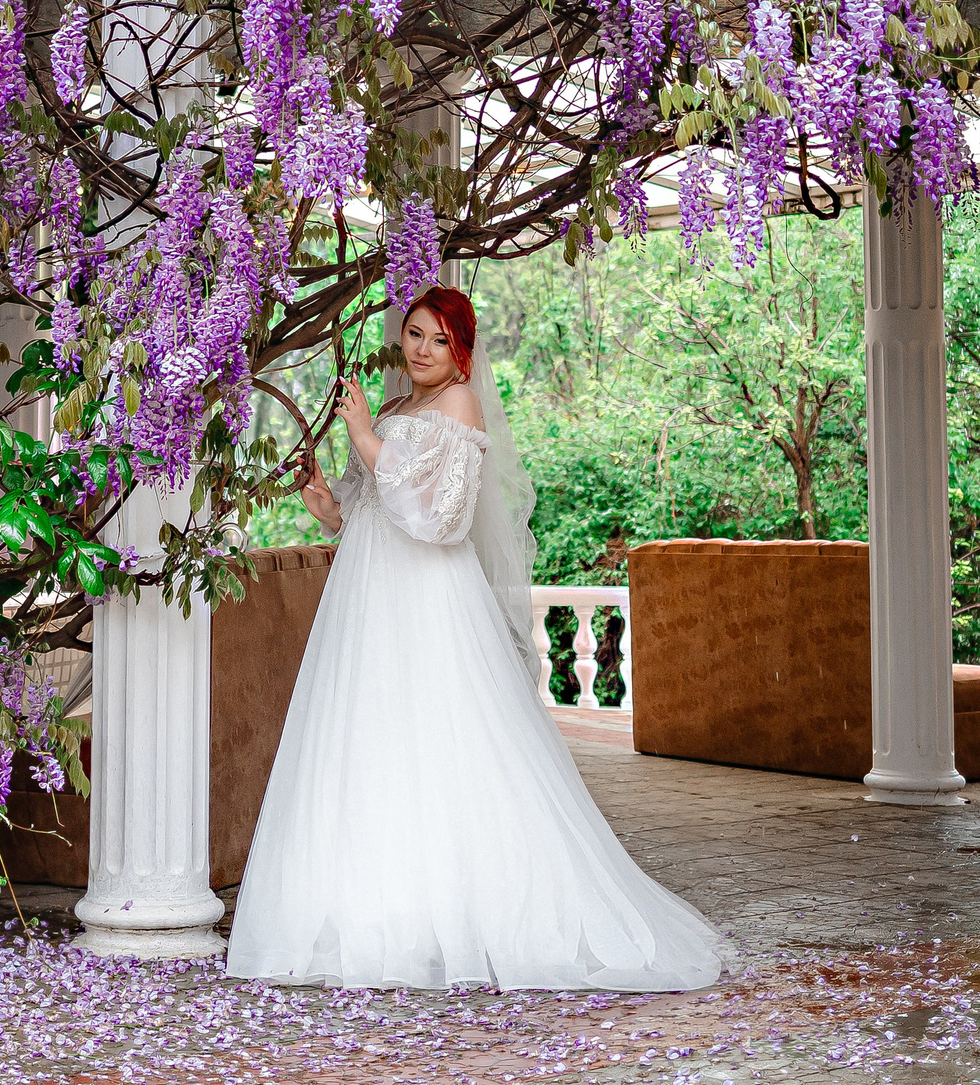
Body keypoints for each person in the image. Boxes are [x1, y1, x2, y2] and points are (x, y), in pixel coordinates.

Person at [224, 286, 724, 991]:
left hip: (429, 598)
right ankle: (370, 909)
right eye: (414, 334)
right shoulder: (397, 408)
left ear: (462, 349)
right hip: (367, 595)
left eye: (437, 338)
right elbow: (364, 511)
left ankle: (462, 910)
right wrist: (324, 499)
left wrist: (364, 437)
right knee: (368, 742)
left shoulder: (459, 406)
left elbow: (443, 519)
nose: (421, 349)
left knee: (451, 740)